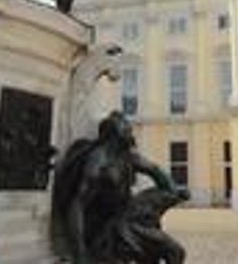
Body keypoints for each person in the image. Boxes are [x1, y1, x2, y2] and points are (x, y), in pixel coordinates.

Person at [51, 111, 186, 264]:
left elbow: (155, 170)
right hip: (109, 231)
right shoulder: (98, 162)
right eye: (127, 128)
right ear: (115, 131)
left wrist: (172, 191)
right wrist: (80, 253)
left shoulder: (127, 156)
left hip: (129, 220)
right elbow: (78, 205)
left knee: (175, 253)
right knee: (173, 252)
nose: (131, 131)